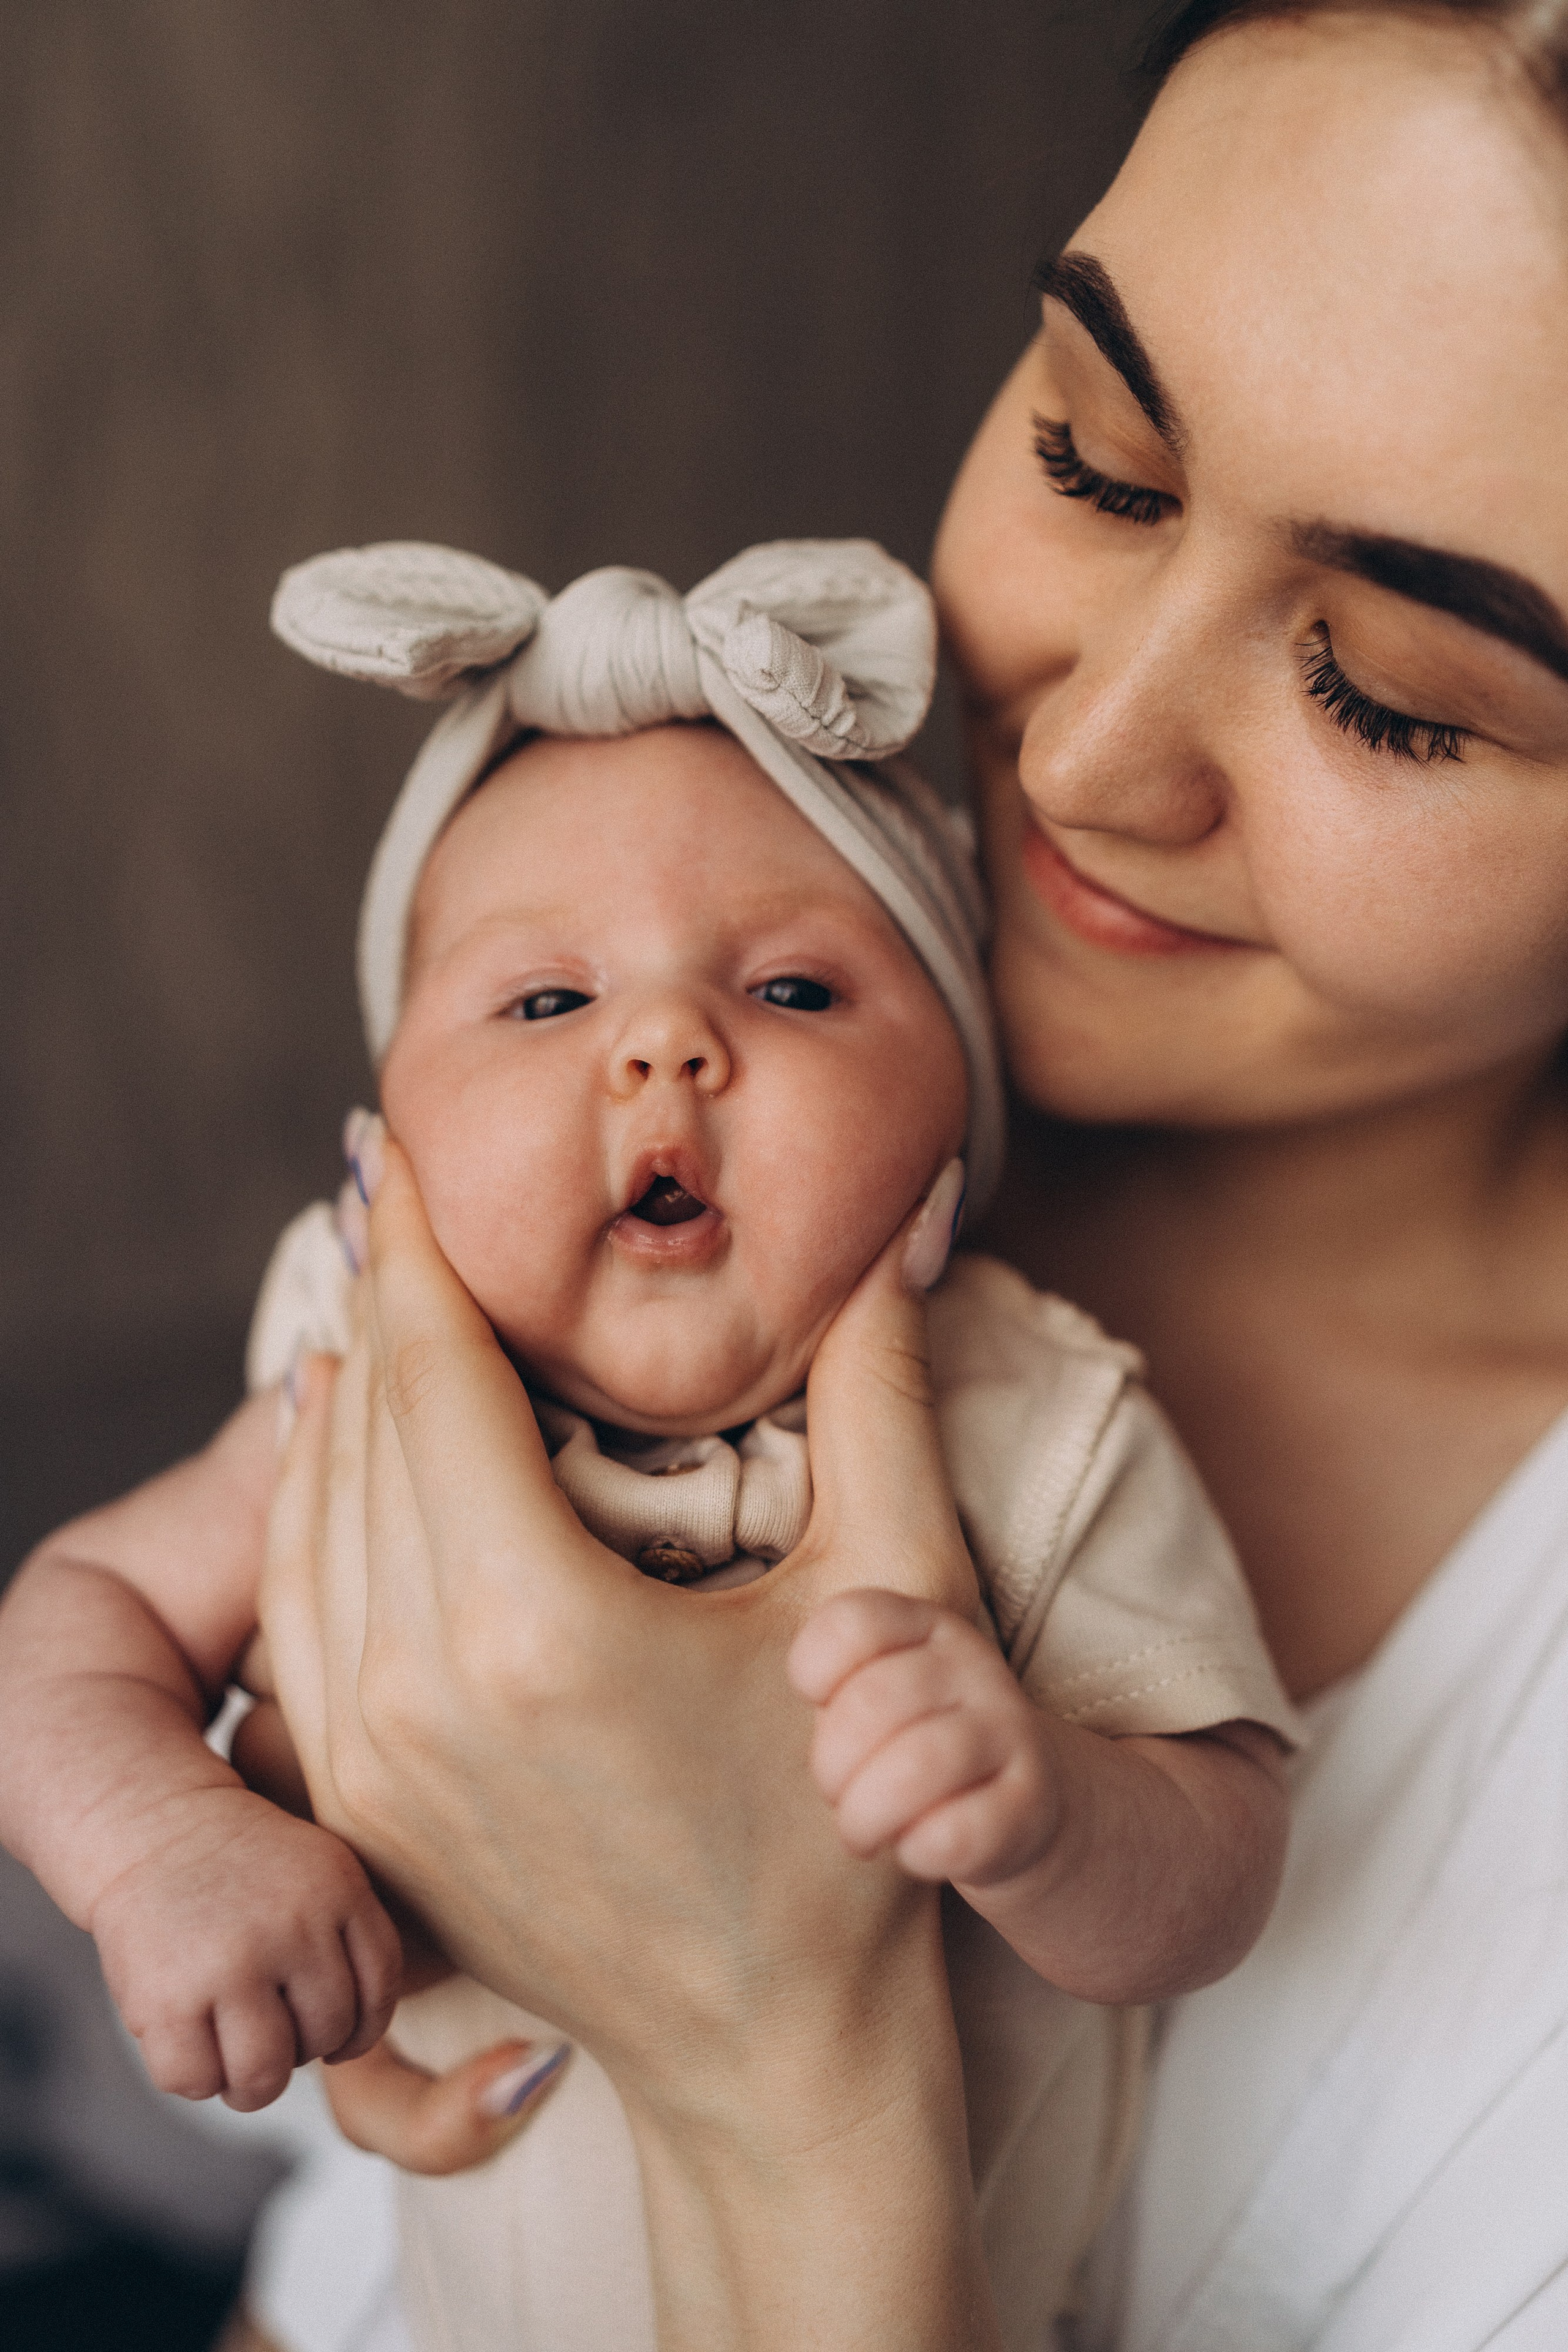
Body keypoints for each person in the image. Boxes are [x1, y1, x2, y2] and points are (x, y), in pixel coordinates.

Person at [252, 3, 1568, 2347]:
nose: (1079, 753)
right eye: (1099, 455)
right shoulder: (646, 1162)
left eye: (1387, 691)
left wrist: (783, 2071)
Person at [0, 538, 1297, 2352]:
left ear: (956, 1130)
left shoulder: (1040, 1428)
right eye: (546, 1003)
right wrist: (159, 1842)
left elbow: (1226, 1854)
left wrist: (1052, 1815)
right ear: (394, 1123)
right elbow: (78, 1609)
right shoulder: (350, 1352)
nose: (666, 1049)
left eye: (794, 994)